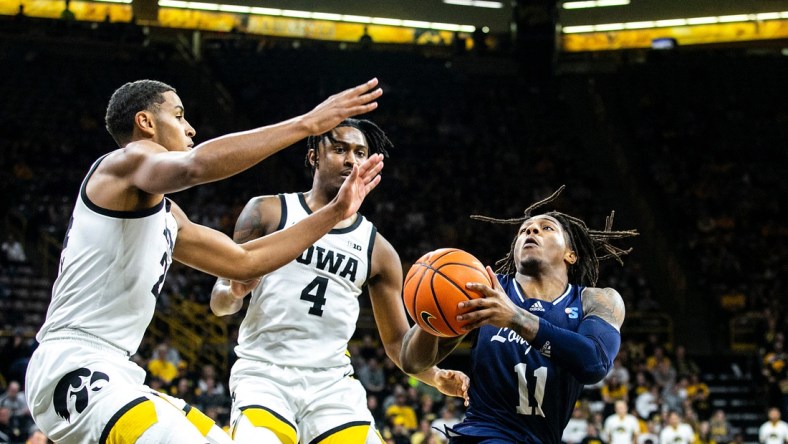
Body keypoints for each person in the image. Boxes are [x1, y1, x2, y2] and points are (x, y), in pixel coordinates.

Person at [24, 78, 386, 444]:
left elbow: (244, 262)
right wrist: (308, 124)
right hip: (74, 363)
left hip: (118, 370)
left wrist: (336, 211)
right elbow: (194, 167)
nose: (190, 127)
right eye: (179, 116)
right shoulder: (123, 162)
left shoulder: (168, 216)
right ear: (146, 123)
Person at [210, 117, 469, 443]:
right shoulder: (268, 212)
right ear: (313, 157)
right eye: (339, 149)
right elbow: (219, 304)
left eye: (360, 153)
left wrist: (434, 377)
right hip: (264, 373)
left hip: (332, 384)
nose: (351, 159)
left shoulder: (379, 251)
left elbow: (396, 345)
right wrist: (234, 290)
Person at [399, 186, 638, 443]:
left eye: (546, 228)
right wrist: (434, 307)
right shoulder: (484, 290)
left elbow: (593, 364)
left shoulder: (595, 299)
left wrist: (516, 318)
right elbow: (412, 362)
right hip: (484, 433)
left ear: (571, 254)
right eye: (523, 231)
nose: (531, 230)